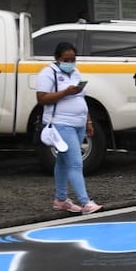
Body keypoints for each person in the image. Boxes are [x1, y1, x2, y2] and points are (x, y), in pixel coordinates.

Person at [35, 42, 101, 214]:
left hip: (78, 123)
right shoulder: (48, 73)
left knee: (63, 161)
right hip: (61, 123)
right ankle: (85, 202)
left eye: (73, 59)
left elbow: (81, 98)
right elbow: (41, 98)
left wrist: (88, 121)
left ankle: (61, 199)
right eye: (66, 60)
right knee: (75, 163)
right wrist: (65, 92)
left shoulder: (75, 72)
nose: (70, 63)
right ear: (57, 59)